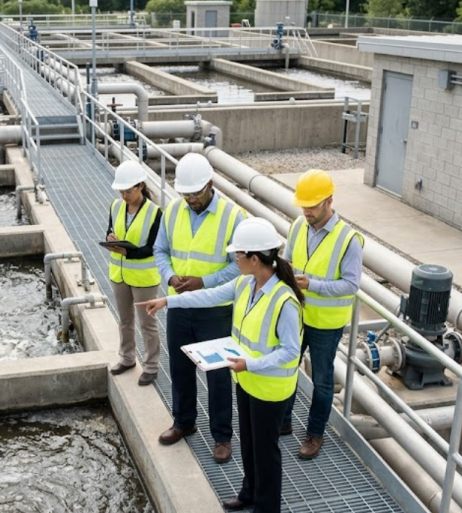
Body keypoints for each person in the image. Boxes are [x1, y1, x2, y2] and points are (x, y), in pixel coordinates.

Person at [137, 218, 304, 513]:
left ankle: (267, 508)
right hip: (247, 381)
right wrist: (167, 301)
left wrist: (250, 364)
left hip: (270, 388)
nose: (235, 259)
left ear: (255, 259)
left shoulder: (285, 300)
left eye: (238, 254)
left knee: (266, 452)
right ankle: (249, 493)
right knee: (249, 444)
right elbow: (210, 295)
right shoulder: (245, 283)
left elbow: (291, 351)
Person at [152, 152, 245, 463]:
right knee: (180, 368)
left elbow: (240, 265)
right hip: (180, 305)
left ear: (210, 184)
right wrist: (170, 276)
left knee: (218, 374)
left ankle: (222, 436)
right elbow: (160, 250)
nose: (191, 199)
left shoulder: (233, 217)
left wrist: (204, 282)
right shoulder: (173, 211)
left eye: (196, 193)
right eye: (185, 193)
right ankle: (183, 422)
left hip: (215, 309)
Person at [282, 169, 364, 460]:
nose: (306, 211)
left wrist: (312, 285)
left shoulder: (348, 240)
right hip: (296, 316)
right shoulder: (298, 226)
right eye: (303, 205)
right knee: (286, 368)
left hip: (326, 325)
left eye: (312, 206)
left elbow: (351, 285)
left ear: (329, 201)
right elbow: (288, 261)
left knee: (323, 380)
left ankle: (315, 434)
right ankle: (284, 420)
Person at [102, 160, 163, 386]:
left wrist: (127, 252)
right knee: (125, 320)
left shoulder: (155, 212)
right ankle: (127, 358)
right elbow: (110, 230)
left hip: (143, 278)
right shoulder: (116, 206)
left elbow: (154, 248)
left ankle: (151, 366)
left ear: (140, 186)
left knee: (147, 324)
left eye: (128, 191)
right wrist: (111, 239)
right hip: (119, 274)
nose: (124, 195)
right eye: (121, 191)